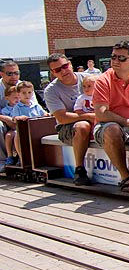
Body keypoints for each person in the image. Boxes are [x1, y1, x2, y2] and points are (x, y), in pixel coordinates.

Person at [92, 41, 129, 192]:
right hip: (108, 125)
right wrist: (128, 122)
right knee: (112, 129)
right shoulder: (103, 80)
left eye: (121, 58)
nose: (115, 61)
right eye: (113, 57)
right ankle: (126, 177)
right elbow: (101, 114)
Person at [42, 53, 95, 185]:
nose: (63, 71)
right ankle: (79, 170)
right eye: (57, 70)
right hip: (67, 127)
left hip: (97, 120)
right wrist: (89, 116)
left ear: (70, 65)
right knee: (82, 126)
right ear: (53, 73)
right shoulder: (51, 91)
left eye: (65, 66)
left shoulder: (89, 79)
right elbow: (62, 117)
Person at [10, 81, 49, 166]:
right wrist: (19, 117)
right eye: (24, 93)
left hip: (37, 129)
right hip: (24, 130)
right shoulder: (17, 107)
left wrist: (48, 114)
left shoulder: (36, 105)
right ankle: (22, 158)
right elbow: (14, 118)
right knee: (17, 136)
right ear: (18, 94)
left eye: (29, 92)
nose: (27, 95)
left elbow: (44, 114)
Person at [1, 85, 19, 172]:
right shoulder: (5, 110)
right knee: (9, 136)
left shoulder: (21, 106)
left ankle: (20, 156)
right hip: (13, 129)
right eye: (15, 97)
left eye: (19, 97)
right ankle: (10, 156)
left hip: (23, 128)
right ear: (7, 98)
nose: (17, 99)